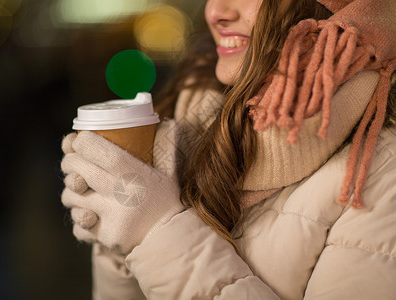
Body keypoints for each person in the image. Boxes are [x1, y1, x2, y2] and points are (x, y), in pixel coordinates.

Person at [60, 0, 396, 298]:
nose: (215, 12)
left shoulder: (383, 172)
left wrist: (158, 233)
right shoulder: (194, 107)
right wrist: (121, 240)